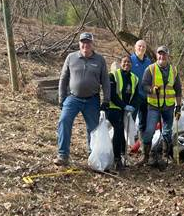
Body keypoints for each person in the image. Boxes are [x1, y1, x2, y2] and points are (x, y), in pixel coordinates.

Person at [55, 32, 110, 166]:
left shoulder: (100, 60)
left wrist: (106, 100)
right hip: (73, 98)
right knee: (64, 120)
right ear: (79, 44)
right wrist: (62, 98)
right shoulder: (71, 57)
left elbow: (106, 81)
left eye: (88, 43)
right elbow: (63, 78)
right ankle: (63, 155)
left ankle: (93, 156)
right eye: (83, 42)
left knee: (93, 128)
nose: (85, 45)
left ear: (92, 44)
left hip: (92, 100)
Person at [140, 45, 182, 167]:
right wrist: (152, 89)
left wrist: (178, 107)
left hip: (168, 106)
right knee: (149, 131)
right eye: (159, 54)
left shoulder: (173, 71)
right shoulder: (150, 69)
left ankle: (165, 155)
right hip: (154, 106)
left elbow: (178, 90)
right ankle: (146, 156)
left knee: (167, 132)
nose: (161, 56)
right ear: (157, 55)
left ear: (167, 56)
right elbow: (144, 85)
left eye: (164, 54)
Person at [101, 55, 141, 170]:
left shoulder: (134, 78)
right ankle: (117, 159)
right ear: (120, 63)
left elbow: (136, 96)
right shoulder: (113, 75)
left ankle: (123, 155)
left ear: (131, 64)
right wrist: (124, 106)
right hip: (113, 108)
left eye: (128, 62)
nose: (126, 64)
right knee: (118, 130)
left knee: (123, 131)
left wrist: (132, 106)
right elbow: (112, 94)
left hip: (126, 110)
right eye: (124, 62)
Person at [130, 40, 153, 152]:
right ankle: (127, 145)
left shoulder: (148, 61)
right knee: (130, 120)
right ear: (135, 47)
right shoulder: (130, 60)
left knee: (143, 122)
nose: (141, 48)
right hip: (133, 96)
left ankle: (142, 146)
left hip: (145, 96)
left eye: (143, 46)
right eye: (139, 46)